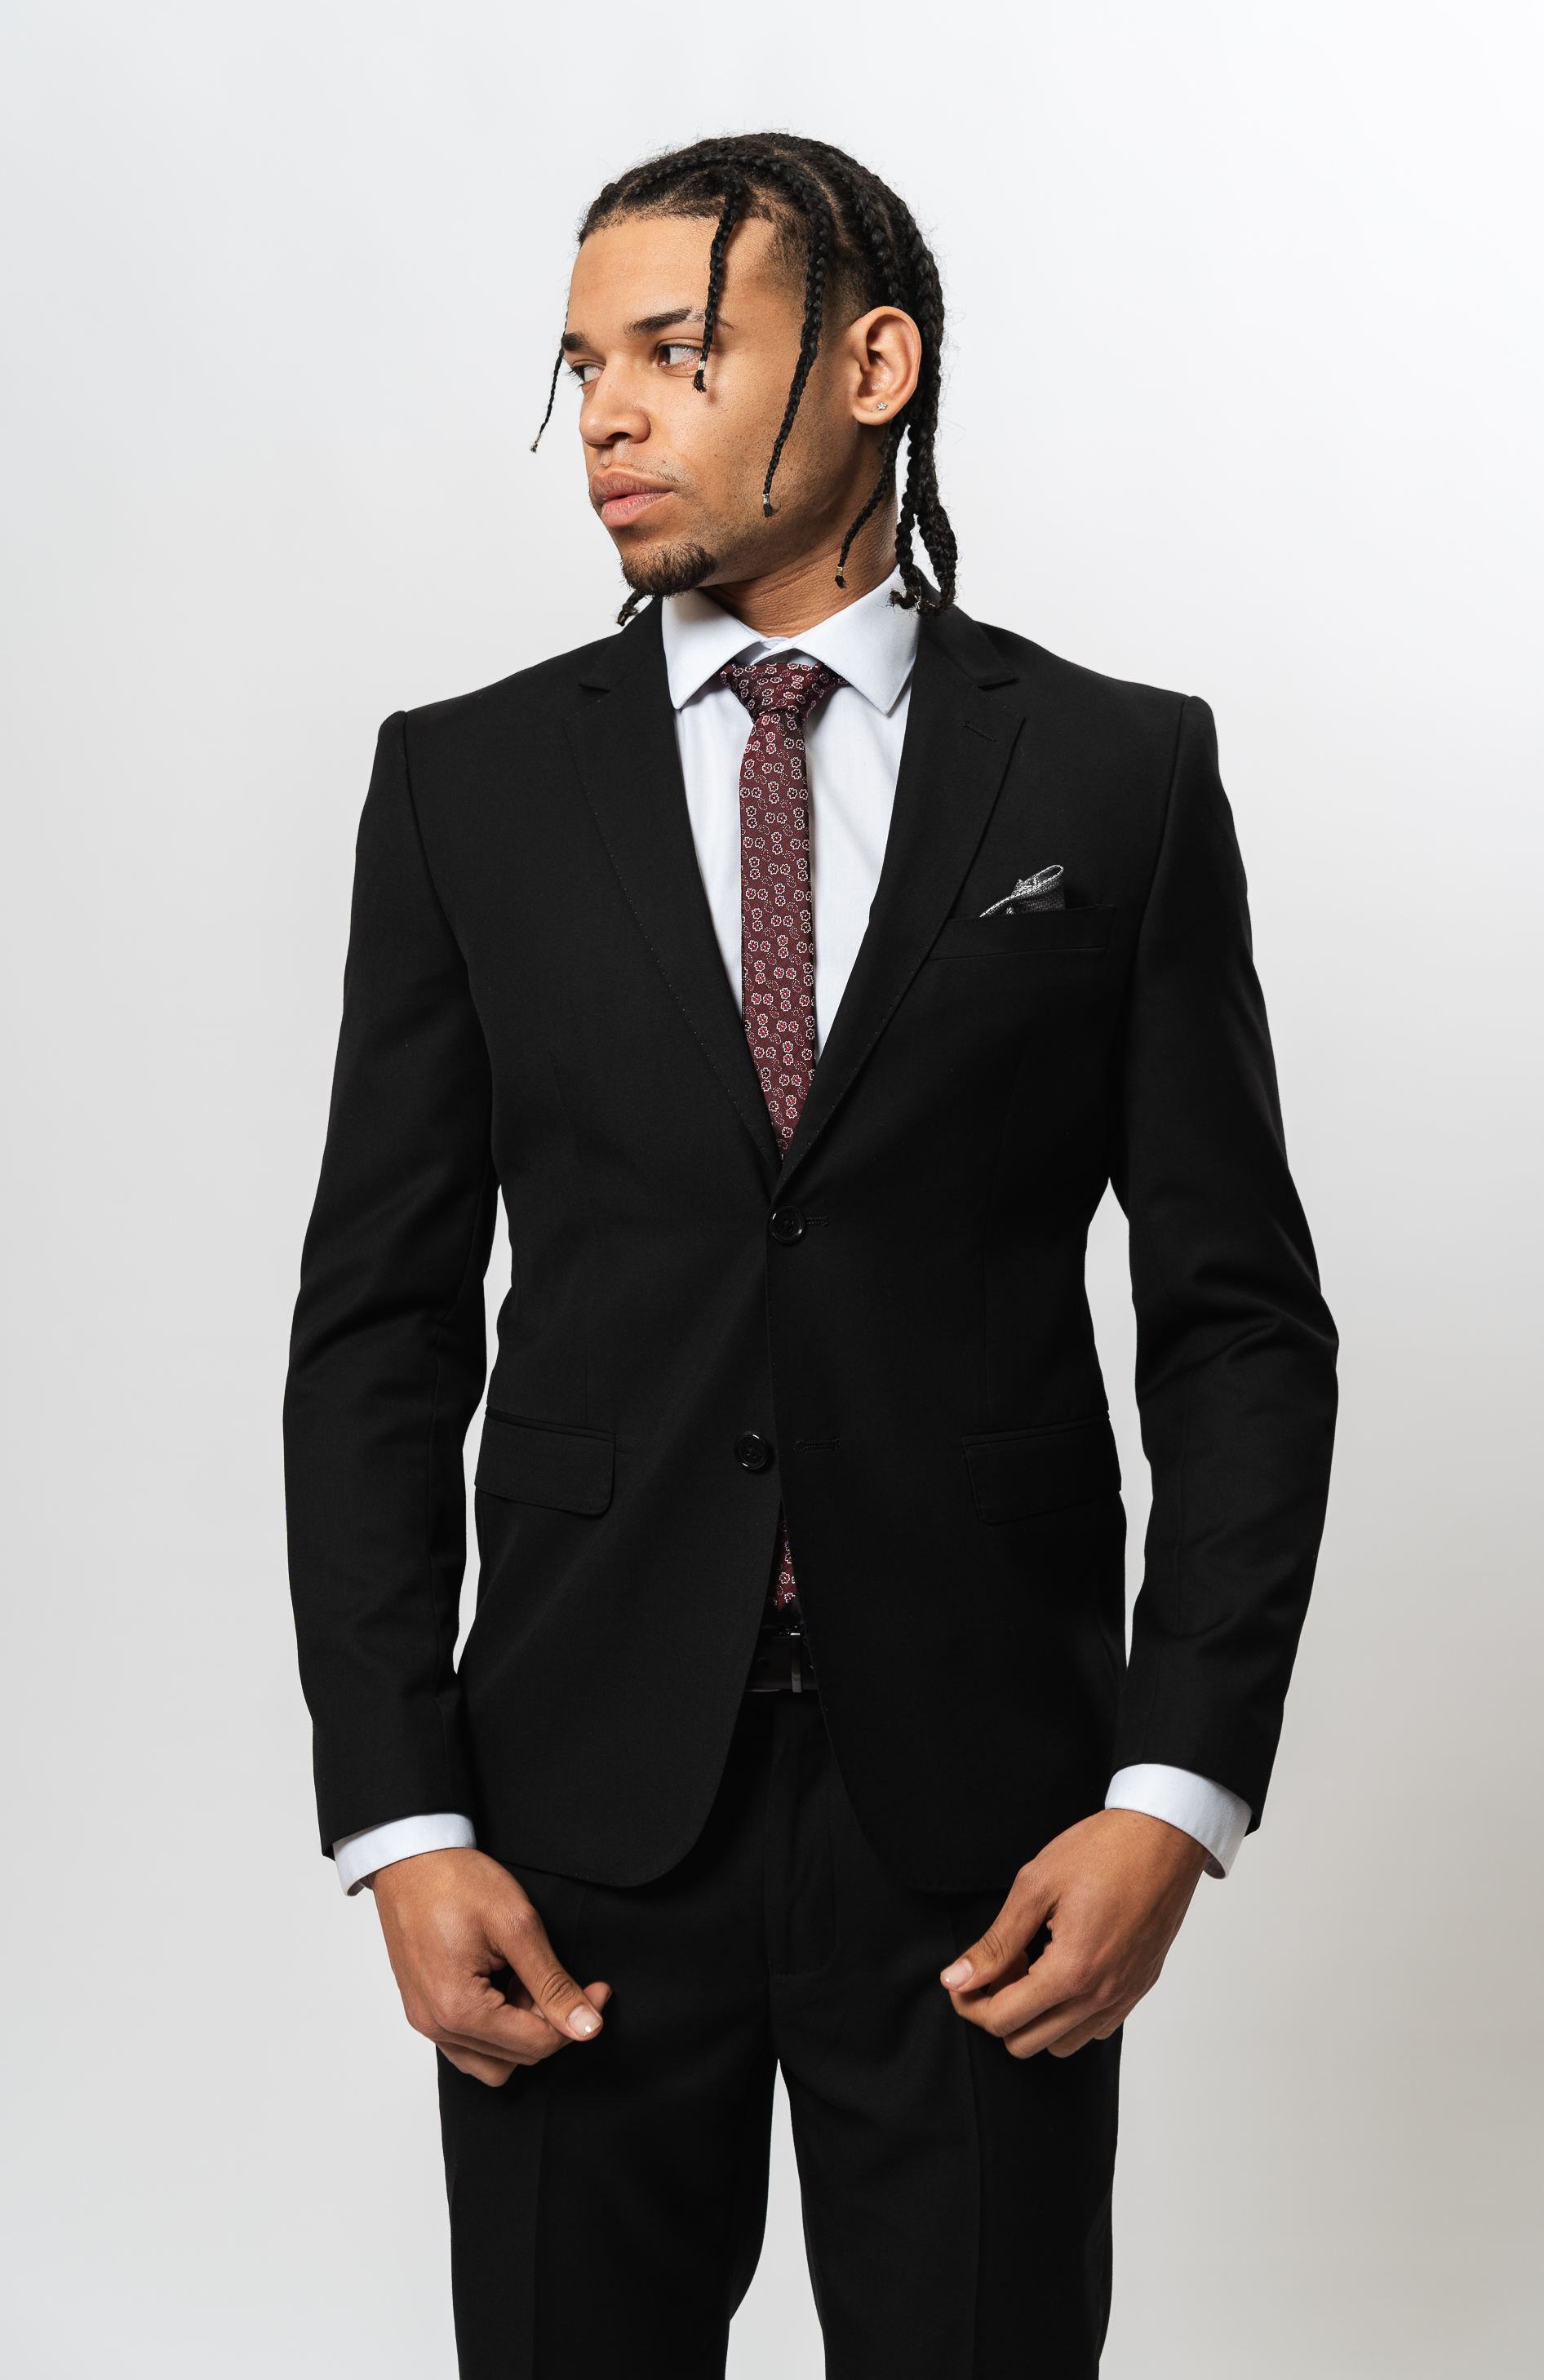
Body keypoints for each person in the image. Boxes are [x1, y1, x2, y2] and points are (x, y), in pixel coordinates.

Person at [285, 131, 1338, 2378]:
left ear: (873, 366)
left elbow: (1241, 1326)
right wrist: (399, 1816)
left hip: (988, 1823)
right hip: (571, 1815)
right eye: (583, 365)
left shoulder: (1115, 777)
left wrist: (1173, 1795)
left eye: (679, 352)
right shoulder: (468, 786)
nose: (610, 416)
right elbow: (377, 1331)